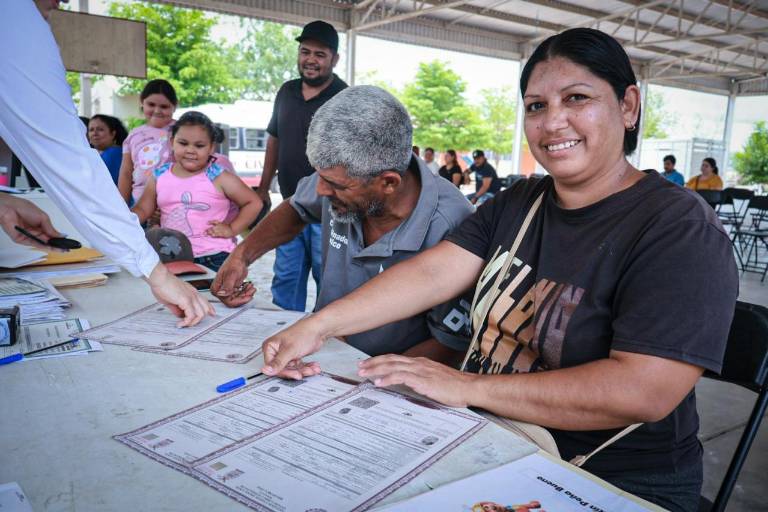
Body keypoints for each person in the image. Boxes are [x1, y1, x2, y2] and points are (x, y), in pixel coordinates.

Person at [258, 29, 738, 512]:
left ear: (628, 106)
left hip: (603, 476)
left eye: (577, 98)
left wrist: (466, 386)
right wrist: (318, 326)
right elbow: (431, 275)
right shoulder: (522, 202)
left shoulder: (678, 229)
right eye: (536, 106)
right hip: (491, 437)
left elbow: (644, 390)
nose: (553, 122)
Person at [212, 86, 473, 359]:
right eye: (320, 177)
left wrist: (362, 373)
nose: (321, 191)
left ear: (388, 183)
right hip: (319, 350)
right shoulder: (340, 176)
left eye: (336, 185)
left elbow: (450, 344)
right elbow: (296, 208)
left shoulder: (453, 225)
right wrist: (242, 256)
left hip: (382, 374)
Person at [0, 0, 213, 327]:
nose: (61, 2)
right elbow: (66, 154)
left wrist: (3, 203)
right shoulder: (14, 17)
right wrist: (154, 271)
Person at [256, 20, 348, 312]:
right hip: (289, 205)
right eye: (305, 51)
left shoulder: (345, 98)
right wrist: (262, 187)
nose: (310, 59)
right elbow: (274, 139)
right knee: (286, 277)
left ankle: (328, 334)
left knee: (329, 279)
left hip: (330, 210)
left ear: (334, 59)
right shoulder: (286, 92)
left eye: (320, 54)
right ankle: (284, 330)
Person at [131, 111, 262, 272]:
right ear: (172, 143)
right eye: (183, 143)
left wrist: (232, 229)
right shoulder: (159, 175)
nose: (190, 150)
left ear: (211, 147)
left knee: (214, 290)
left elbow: (253, 202)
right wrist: (123, 222)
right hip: (171, 256)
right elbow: (143, 208)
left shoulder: (217, 176)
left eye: (199, 146)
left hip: (214, 256)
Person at [118, 79, 177, 206]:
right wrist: (122, 207)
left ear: (175, 106)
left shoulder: (181, 130)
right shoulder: (134, 135)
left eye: (164, 106)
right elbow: (126, 172)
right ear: (142, 102)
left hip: (173, 202)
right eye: (151, 104)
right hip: (139, 202)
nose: (157, 110)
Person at [88, 114, 128, 186]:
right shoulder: (104, 153)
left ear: (113, 134)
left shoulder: (114, 153)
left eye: (100, 129)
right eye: (91, 130)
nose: (94, 133)